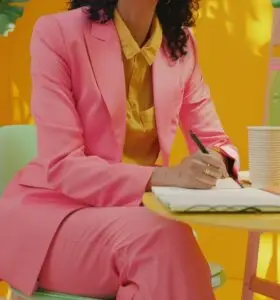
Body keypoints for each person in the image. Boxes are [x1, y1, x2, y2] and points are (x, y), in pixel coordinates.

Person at [0, 0, 240, 299]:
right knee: (163, 240)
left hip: (136, 220)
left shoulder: (181, 45)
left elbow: (215, 141)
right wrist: (166, 177)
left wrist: (215, 162)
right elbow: (65, 166)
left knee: (163, 245)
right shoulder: (56, 33)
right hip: (54, 216)